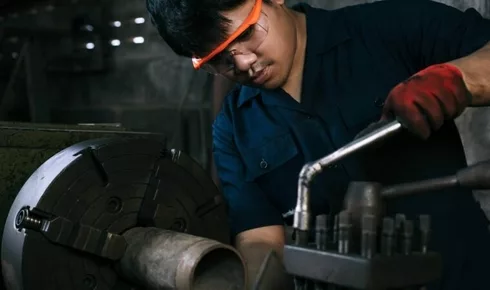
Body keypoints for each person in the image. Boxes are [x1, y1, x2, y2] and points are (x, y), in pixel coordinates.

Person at [146, 0, 490, 289]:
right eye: (219, 60)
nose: (243, 63)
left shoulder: (389, 29)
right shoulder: (234, 128)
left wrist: (456, 79)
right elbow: (262, 241)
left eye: (247, 34)